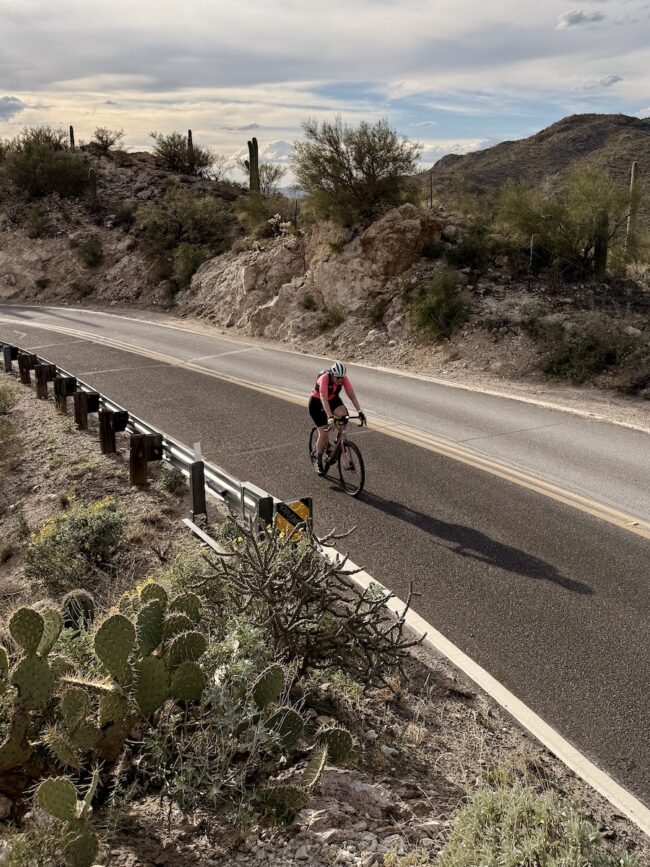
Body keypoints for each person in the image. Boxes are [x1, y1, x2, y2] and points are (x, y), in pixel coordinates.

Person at [309, 360, 366, 475]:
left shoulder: (343, 378)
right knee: (324, 434)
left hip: (333, 400)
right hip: (317, 403)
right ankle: (318, 460)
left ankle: (338, 441)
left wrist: (360, 412)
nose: (340, 380)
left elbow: (351, 395)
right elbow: (323, 399)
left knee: (344, 416)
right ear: (332, 375)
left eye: (342, 378)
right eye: (337, 378)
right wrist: (330, 416)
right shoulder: (324, 379)